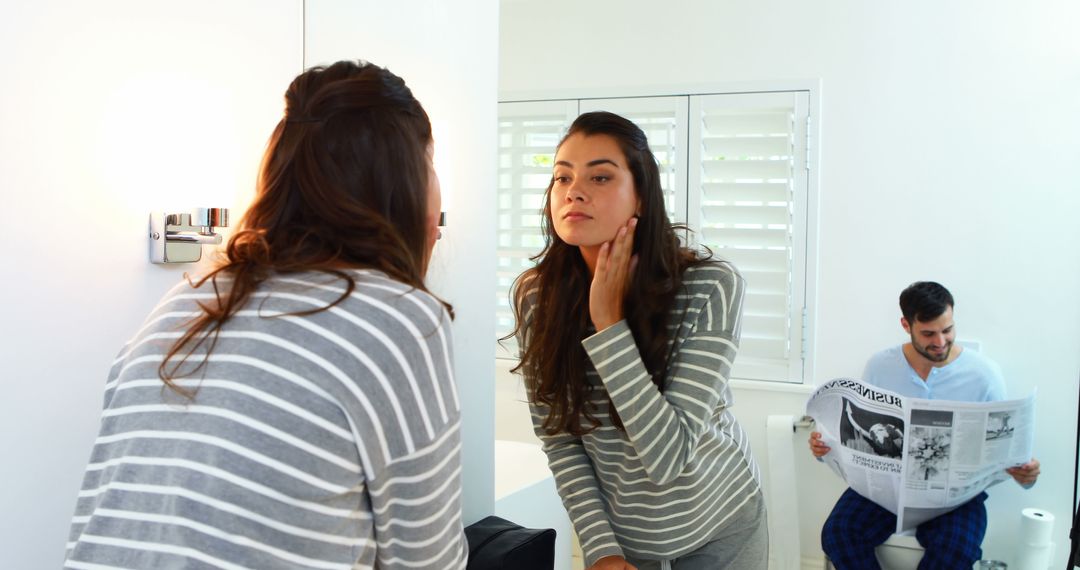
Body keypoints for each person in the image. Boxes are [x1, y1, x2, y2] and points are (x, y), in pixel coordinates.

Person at [64, 61, 467, 569]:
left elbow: (95, 515)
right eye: (430, 165)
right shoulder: (399, 319)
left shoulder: (189, 298)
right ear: (402, 184)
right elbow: (427, 560)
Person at [509, 111, 767, 570]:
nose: (574, 191)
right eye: (561, 177)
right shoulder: (536, 298)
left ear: (642, 197)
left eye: (601, 176)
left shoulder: (710, 287)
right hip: (628, 541)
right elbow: (560, 439)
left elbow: (668, 456)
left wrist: (609, 324)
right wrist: (602, 548)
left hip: (720, 526)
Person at [809, 281, 1041, 569]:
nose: (941, 342)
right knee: (839, 534)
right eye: (929, 333)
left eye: (948, 330)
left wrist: (1025, 473)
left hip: (956, 498)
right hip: (887, 488)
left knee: (955, 552)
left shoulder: (984, 376)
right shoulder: (880, 366)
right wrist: (825, 448)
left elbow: (1004, 450)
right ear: (906, 325)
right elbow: (857, 433)